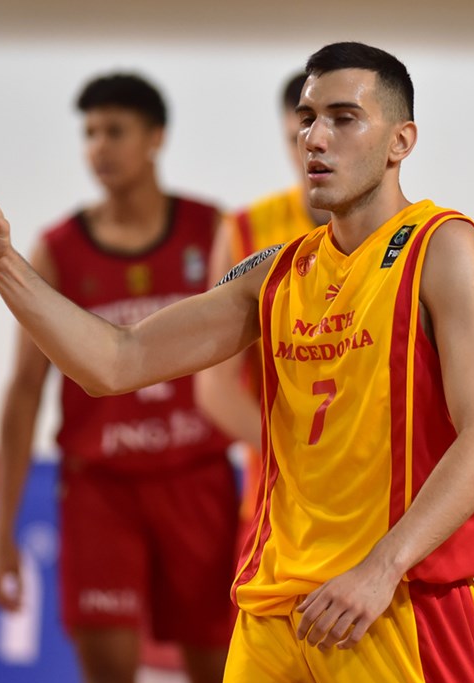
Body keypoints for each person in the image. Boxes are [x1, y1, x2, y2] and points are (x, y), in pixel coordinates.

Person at [0, 41, 474, 683]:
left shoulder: (443, 249)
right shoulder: (274, 271)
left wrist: (382, 568)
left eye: (344, 118)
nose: (315, 137)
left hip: (396, 606)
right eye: (307, 118)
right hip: (276, 612)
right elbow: (116, 362)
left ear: (400, 141)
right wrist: (3, 268)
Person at [0, 73, 238, 683]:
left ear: (156, 138)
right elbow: (23, 395)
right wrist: (2, 535)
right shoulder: (58, 249)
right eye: (90, 132)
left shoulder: (214, 232)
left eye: (116, 130)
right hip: (101, 492)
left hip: (197, 483)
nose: (99, 146)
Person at [195, 71, 329, 538]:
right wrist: (300, 458)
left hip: (383, 500)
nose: (313, 151)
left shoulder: (411, 237)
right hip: (279, 501)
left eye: (331, 132)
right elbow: (215, 387)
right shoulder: (246, 232)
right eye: (298, 137)